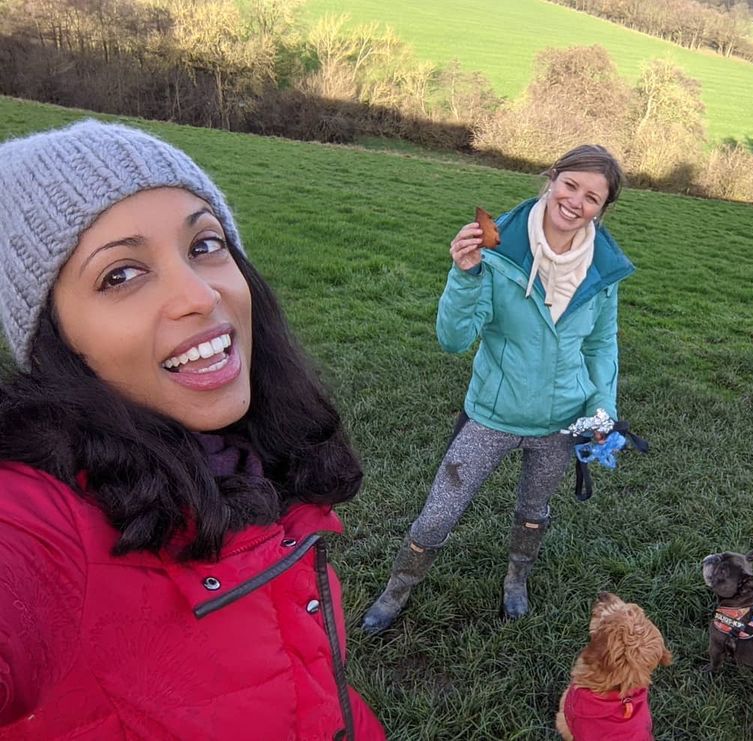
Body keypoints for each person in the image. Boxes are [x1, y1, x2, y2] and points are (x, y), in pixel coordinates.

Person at [0, 121, 385, 739]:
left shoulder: (250, 458)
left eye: (204, 245)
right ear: (52, 343)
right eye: (120, 275)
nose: (199, 295)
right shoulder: (38, 518)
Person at [362, 145, 634, 634]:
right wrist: (465, 276)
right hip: (492, 414)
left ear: (603, 208)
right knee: (435, 519)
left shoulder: (604, 271)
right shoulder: (498, 250)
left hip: (561, 422)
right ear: (551, 180)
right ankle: (395, 591)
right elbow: (454, 340)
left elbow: (601, 347)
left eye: (592, 197)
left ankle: (516, 581)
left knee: (535, 512)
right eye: (570, 185)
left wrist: (601, 410)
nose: (576, 202)